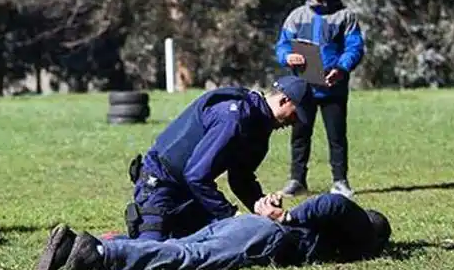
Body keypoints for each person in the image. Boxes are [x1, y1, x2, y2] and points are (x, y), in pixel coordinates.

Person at [33, 193, 391, 270]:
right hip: (266, 236)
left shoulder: (337, 238)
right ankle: (100, 253)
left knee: (177, 247)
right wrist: (288, 216)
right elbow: (335, 202)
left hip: (248, 225)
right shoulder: (363, 239)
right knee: (189, 258)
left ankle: (77, 248)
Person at [122, 75, 314, 242]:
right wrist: (230, 215)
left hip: (190, 193)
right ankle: (103, 249)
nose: (294, 122)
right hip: (160, 184)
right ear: (284, 100)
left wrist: (260, 205)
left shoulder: (259, 128)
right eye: (296, 115)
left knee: (218, 242)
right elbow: (196, 175)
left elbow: (241, 178)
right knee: (152, 248)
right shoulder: (233, 117)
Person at [274, 0, 366, 199]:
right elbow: (282, 45)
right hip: (303, 87)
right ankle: (297, 180)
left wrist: (341, 68)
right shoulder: (296, 17)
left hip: (333, 87)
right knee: (300, 135)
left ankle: (340, 181)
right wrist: (287, 57)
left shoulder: (345, 16)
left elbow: (354, 47)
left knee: (336, 136)